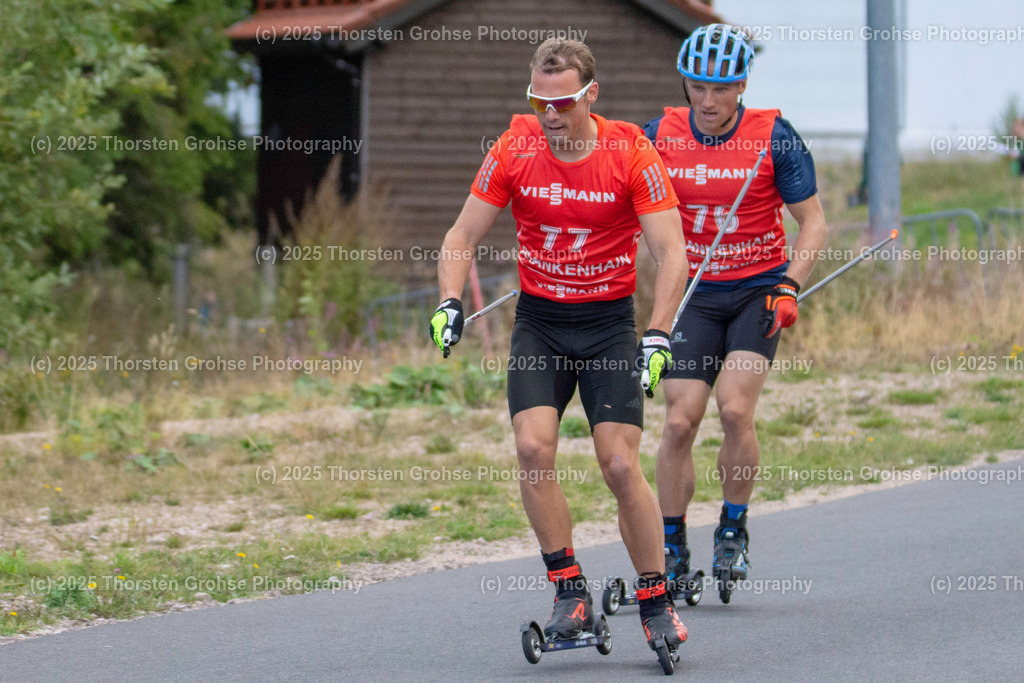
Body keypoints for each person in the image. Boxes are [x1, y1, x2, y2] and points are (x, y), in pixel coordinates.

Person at [430, 39, 690, 653]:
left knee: (620, 464)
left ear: (590, 95)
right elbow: (460, 234)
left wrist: (657, 333)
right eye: (539, 101)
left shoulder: (630, 150)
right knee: (531, 448)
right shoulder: (515, 147)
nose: (550, 115)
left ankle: (655, 597)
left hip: (606, 327)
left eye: (564, 102)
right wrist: (448, 300)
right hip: (542, 323)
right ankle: (569, 590)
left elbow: (672, 252)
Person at [642, 24, 827, 599]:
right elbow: (633, 207)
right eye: (698, 87)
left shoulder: (775, 136)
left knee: (734, 409)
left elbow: (814, 223)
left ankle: (732, 526)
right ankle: (671, 545)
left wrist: (790, 285)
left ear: (742, 84)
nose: (708, 101)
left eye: (721, 88)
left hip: (757, 290)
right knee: (679, 420)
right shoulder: (658, 135)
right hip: (694, 291)